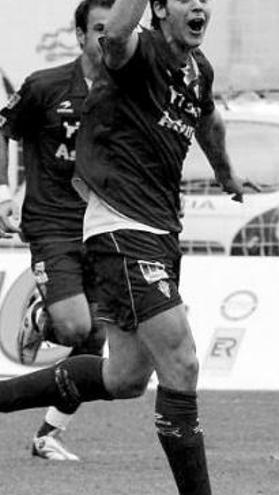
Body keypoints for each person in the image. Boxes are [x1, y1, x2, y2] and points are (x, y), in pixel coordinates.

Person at [0, 0, 253, 493]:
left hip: (158, 232)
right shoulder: (138, 51)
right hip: (121, 227)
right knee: (181, 360)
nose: (199, 4)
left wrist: (225, 173)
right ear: (158, 10)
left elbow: (208, 123)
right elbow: (114, 39)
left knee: (124, 378)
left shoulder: (198, 69)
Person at [0, 0, 116, 461]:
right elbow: (4, 130)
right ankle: (42, 317)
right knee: (73, 327)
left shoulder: (127, 91)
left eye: (118, 30)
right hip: (52, 222)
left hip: (105, 223)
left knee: (94, 343)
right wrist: (4, 193)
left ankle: (47, 434)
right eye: (101, 29)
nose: (110, 39)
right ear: (81, 35)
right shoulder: (45, 86)